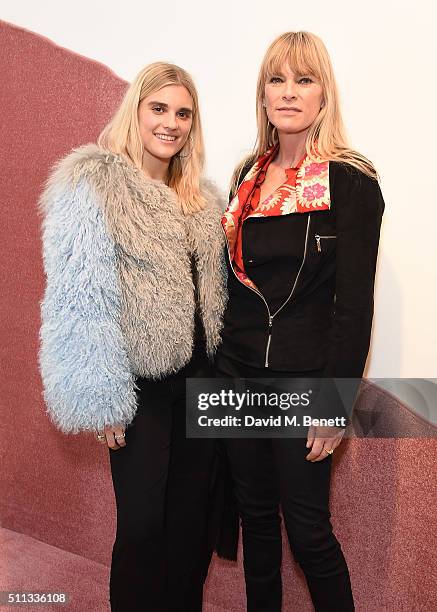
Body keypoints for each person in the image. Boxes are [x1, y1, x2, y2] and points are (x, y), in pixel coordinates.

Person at [38, 62, 227, 612]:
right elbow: (79, 296)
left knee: (190, 527)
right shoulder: (94, 184)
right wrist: (103, 397)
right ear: (136, 111)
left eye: (183, 113)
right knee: (143, 525)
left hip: (201, 384)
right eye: (159, 108)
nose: (171, 123)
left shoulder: (203, 200)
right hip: (139, 387)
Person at [216, 32, 385, 611]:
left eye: (304, 79)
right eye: (277, 79)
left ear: (323, 94)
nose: (289, 92)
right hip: (236, 379)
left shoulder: (351, 180)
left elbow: (354, 305)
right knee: (256, 524)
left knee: (309, 534)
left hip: (304, 384)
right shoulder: (246, 176)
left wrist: (334, 404)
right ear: (262, 93)